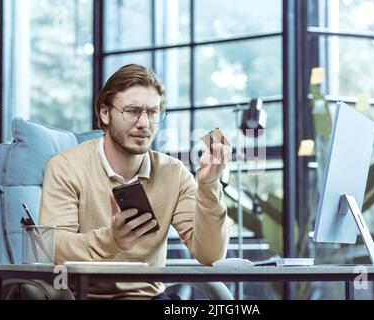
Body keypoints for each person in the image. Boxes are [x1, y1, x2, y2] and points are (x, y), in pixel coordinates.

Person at [39, 64, 232, 299]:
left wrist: (210, 185)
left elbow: (210, 254)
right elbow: (53, 249)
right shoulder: (66, 166)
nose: (144, 123)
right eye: (132, 111)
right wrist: (112, 240)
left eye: (152, 112)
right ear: (105, 113)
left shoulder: (174, 172)